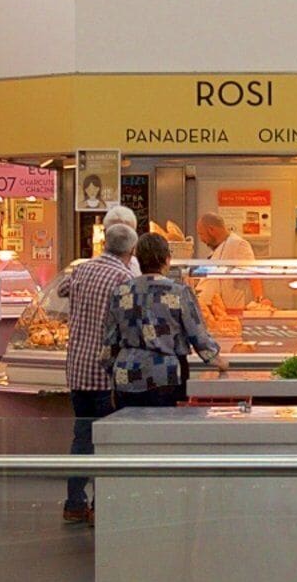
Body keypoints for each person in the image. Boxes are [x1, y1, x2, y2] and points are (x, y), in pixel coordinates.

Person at [54, 221, 138, 523]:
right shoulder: (124, 277)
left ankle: (74, 503)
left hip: (77, 368)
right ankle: (102, 507)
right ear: (131, 250)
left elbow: (61, 289)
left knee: (81, 438)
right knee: (107, 441)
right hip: (106, 372)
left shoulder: (81, 269)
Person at [104, 232, 211, 428]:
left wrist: (111, 368)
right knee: (162, 435)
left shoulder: (121, 291)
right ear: (167, 259)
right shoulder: (178, 292)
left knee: (128, 436)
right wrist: (215, 358)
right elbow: (197, 334)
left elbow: (110, 339)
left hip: (126, 375)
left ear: (137, 259)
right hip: (165, 375)